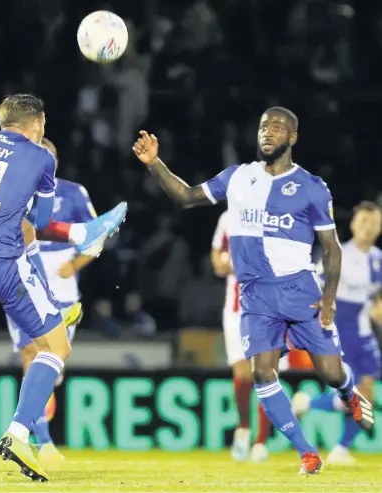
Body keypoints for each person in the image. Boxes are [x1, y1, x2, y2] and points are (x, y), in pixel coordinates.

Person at [133, 107, 374, 474]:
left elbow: (332, 246)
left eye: (278, 127)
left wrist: (328, 298)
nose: (268, 132)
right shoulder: (237, 177)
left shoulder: (311, 186)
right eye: (264, 126)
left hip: (300, 289)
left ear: (292, 138)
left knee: (330, 371)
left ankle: (347, 392)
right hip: (256, 296)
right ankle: (306, 452)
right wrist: (155, 163)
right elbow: (185, 196)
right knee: (262, 372)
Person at [0, 94, 127, 482]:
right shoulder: (40, 156)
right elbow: (43, 217)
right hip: (1, 265)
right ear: (36, 123)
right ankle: (18, 433)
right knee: (56, 347)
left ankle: (81, 236)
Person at [6, 137, 100, 461]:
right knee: (32, 356)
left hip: (62, 285)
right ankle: (42, 441)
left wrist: (74, 263)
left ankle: (36, 432)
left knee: (54, 362)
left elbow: (98, 232)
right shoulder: (12, 192)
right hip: (22, 280)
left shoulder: (73, 193)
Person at [292, 201, 382, 464]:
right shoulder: (339, 254)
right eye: (363, 221)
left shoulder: (378, 259)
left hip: (364, 333)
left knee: (367, 395)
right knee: (354, 393)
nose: (368, 227)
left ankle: (340, 448)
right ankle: (309, 408)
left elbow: (375, 304)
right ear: (353, 224)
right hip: (340, 329)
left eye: (374, 222)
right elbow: (314, 288)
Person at [211, 211, 271, 462]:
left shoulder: (277, 213)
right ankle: (244, 427)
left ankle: (261, 442)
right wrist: (224, 264)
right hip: (236, 310)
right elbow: (217, 260)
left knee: (266, 374)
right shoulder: (228, 217)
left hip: (270, 308)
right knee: (243, 375)